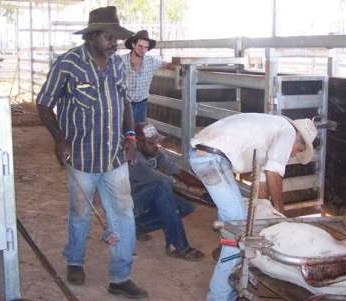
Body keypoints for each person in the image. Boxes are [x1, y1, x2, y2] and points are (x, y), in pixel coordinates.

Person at [35, 6, 148, 299]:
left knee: (124, 214)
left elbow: (124, 102)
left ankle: (120, 277)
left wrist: (131, 135)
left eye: (116, 38)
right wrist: (59, 139)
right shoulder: (68, 63)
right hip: (81, 158)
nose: (114, 43)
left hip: (114, 156)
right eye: (109, 37)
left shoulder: (117, 65)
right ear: (92, 36)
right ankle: (75, 259)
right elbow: (44, 104)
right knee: (80, 213)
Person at [188, 112, 318, 301]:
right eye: (298, 149)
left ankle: (234, 280)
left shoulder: (274, 129)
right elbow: (274, 174)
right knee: (239, 233)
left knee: (234, 231)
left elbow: (263, 188)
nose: (294, 154)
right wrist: (281, 212)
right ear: (298, 139)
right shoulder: (288, 131)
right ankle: (218, 296)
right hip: (212, 159)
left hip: (206, 155)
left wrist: (266, 211)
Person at [128, 122, 205, 261]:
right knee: (162, 187)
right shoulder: (135, 160)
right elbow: (170, 184)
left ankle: (136, 228)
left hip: (146, 197)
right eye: (151, 143)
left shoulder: (154, 152)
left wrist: (204, 186)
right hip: (130, 204)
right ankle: (178, 246)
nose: (156, 146)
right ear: (138, 143)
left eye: (156, 142)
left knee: (186, 207)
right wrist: (201, 197)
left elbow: (178, 172)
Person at [121, 29, 172, 122]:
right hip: (124, 103)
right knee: (124, 131)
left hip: (141, 103)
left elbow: (167, 65)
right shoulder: (121, 61)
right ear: (133, 45)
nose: (143, 50)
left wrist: (181, 63)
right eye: (140, 46)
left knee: (139, 130)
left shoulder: (151, 61)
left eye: (146, 47)